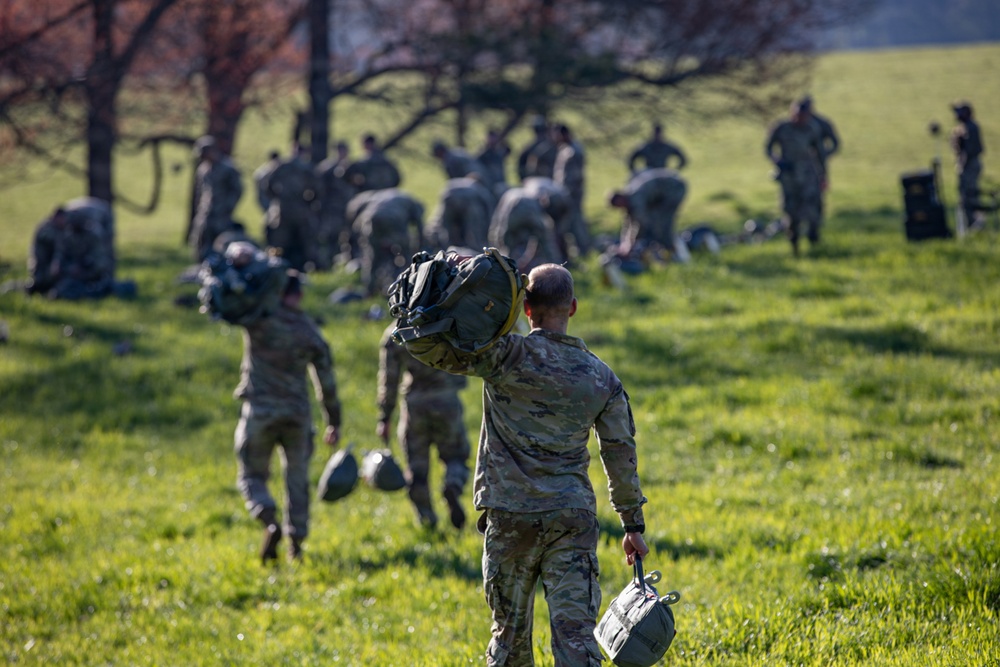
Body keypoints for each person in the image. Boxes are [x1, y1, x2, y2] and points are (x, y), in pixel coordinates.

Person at [403, 262, 649, 667]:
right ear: (572, 307)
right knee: (576, 641)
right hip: (571, 518)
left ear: (526, 309)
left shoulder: (505, 355)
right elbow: (620, 454)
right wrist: (632, 525)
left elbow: (435, 351)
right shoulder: (602, 378)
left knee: (509, 640)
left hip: (509, 516)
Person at [233, 271, 341, 564]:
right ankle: (297, 545)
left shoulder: (258, 320)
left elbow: (231, 307)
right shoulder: (308, 331)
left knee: (252, 475)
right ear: (299, 295)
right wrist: (334, 421)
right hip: (297, 416)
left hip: (260, 413)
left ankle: (268, 518)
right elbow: (326, 383)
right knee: (297, 480)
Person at [376, 323, 471, 530]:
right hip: (446, 400)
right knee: (455, 456)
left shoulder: (397, 332)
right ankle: (453, 485)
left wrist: (384, 417)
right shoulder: (445, 322)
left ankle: (427, 520)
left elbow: (389, 379)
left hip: (415, 405)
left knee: (416, 467)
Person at [765, 100, 825, 256]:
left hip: (808, 176)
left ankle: (814, 242)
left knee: (812, 211)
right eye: (797, 115)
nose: (799, 118)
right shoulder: (781, 128)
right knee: (791, 212)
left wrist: (823, 176)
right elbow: (768, 148)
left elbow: (820, 154)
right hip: (788, 177)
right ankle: (794, 245)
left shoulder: (812, 129)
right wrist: (778, 161)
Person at [347, 188, 425, 297]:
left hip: (371, 218)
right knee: (405, 257)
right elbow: (420, 230)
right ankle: (405, 289)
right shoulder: (413, 204)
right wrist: (418, 250)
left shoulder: (379, 195)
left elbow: (357, 213)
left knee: (373, 258)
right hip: (394, 219)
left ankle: (370, 290)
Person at [26, 204, 114, 300]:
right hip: (50, 269)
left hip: (88, 273)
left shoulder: (92, 237)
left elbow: (99, 262)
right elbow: (61, 254)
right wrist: (68, 267)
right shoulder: (55, 231)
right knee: (43, 282)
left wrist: (84, 270)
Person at [608, 168, 689, 261]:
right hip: (662, 194)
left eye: (618, 205)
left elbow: (641, 223)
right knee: (656, 221)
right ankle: (668, 250)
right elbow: (628, 223)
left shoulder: (636, 198)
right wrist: (624, 245)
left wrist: (630, 246)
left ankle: (674, 252)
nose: (620, 208)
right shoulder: (630, 197)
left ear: (620, 199)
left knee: (663, 222)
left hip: (674, 189)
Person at [264, 143, 320, 271]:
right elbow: (317, 189)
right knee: (304, 240)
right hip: (301, 208)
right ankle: (308, 266)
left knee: (280, 240)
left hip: (283, 209)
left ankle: (274, 264)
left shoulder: (282, 165)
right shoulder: (307, 167)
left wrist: (276, 198)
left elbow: (268, 184)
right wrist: (309, 202)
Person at [188, 136, 244, 262]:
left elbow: (237, 190)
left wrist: (228, 207)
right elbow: (200, 191)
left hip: (222, 213)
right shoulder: (203, 169)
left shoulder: (228, 168)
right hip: (205, 212)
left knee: (221, 242)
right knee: (200, 241)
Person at [489, 186, 564, 272]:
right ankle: (557, 269)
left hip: (513, 213)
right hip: (533, 213)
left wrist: (496, 243)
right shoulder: (527, 194)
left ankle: (504, 268)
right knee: (545, 242)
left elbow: (498, 223)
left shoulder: (508, 195)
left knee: (506, 243)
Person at [425, 176, 496, 252]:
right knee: (472, 232)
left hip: (449, 199)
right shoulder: (479, 188)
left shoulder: (452, 182)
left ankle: (446, 251)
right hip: (468, 204)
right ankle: (475, 251)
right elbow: (489, 208)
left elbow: (440, 214)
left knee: (446, 230)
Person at [799, 96, 840, 226]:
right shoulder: (794, 124)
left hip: (817, 164)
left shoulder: (821, 123)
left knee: (817, 195)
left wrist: (824, 154)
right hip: (798, 165)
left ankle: (816, 223)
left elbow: (835, 143)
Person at [552, 123, 591, 256]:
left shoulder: (573, 151)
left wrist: (568, 194)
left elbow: (575, 177)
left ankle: (584, 250)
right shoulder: (565, 149)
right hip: (565, 193)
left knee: (575, 221)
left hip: (571, 194)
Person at [315, 141, 354, 269]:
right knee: (331, 237)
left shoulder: (352, 167)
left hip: (350, 208)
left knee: (351, 237)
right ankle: (328, 264)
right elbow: (319, 188)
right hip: (332, 209)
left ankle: (348, 264)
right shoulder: (326, 168)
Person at [950, 100, 985, 229]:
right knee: (965, 196)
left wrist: (962, 164)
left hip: (970, 165)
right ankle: (969, 225)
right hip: (967, 165)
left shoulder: (971, 128)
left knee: (970, 196)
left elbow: (971, 150)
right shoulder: (963, 128)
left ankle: (976, 225)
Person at [516, 115, 557, 182]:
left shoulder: (552, 147)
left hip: (548, 180)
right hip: (534, 181)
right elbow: (521, 166)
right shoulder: (529, 149)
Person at [477, 128, 511, 198]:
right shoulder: (484, 153)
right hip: (488, 184)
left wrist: (501, 140)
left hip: (500, 182)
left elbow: (509, 150)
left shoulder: (499, 151)